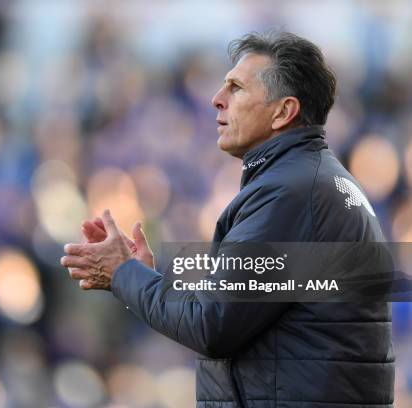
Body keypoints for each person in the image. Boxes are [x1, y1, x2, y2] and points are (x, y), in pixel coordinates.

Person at [61, 31, 394, 407]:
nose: (216, 100)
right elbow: (235, 309)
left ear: (283, 112)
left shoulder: (292, 193)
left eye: (235, 88)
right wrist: (144, 277)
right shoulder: (312, 180)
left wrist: (125, 274)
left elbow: (212, 324)